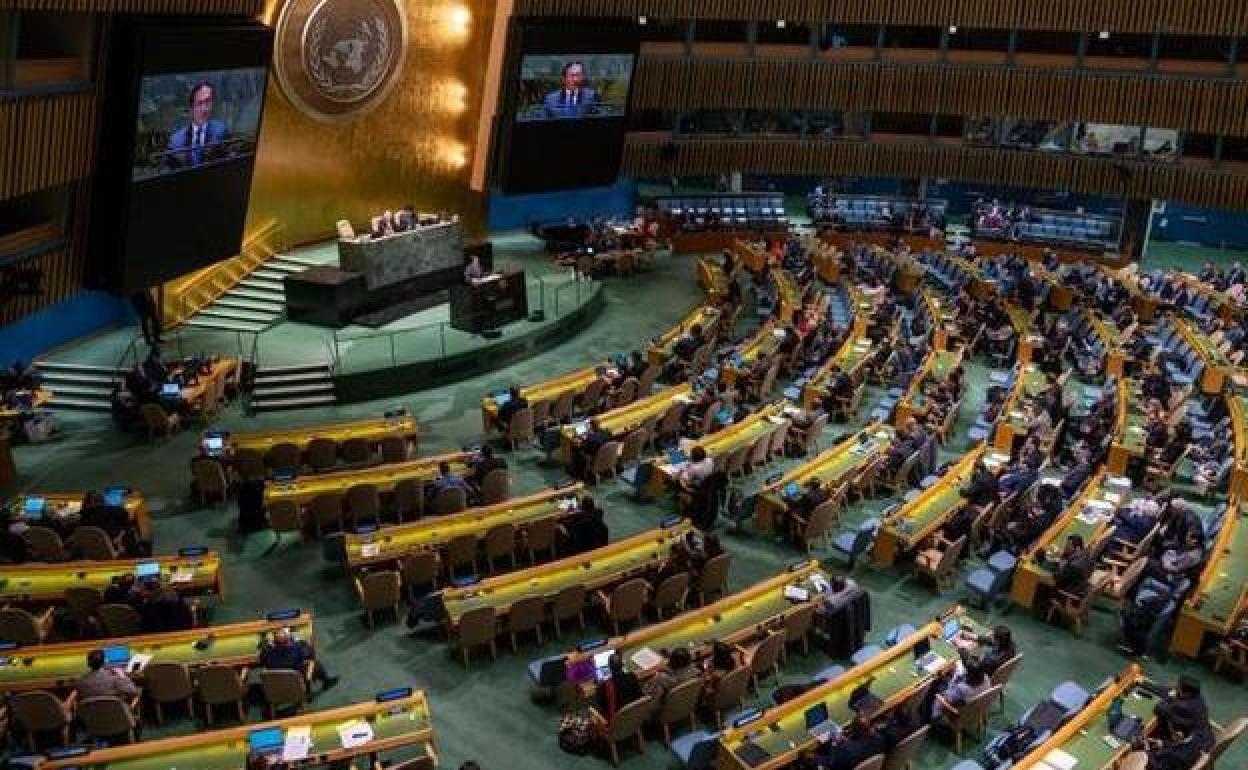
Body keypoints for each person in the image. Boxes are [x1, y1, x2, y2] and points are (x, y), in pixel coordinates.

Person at [166, 81, 227, 168]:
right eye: (199, 103)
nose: (204, 109)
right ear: (191, 108)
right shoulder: (176, 141)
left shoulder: (221, 130)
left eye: (208, 102)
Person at [259, 627, 339, 691]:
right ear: (289, 640)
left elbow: (261, 659)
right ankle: (325, 682)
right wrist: (298, 641)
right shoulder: (297, 649)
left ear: (274, 642)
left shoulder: (268, 654)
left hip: (277, 686)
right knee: (315, 664)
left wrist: (267, 646)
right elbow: (311, 653)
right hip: (296, 681)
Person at [1153, 674, 1211, 741]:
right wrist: (1143, 683)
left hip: (1189, 740)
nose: (1175, 687)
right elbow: (1168, 691)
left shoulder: (1185, 707)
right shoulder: (1197, 697)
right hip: (1201, 732)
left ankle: (1163, 740)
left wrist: (1168, 698)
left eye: (1178, 686)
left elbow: (1158, 708)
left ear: (1186, 693)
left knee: (1162, 714)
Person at [818, 714, 886, 770]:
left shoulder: (846, 750)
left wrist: (834, 744)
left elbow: (833, 765)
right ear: (870, 727)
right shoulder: (880, 739)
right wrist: (848, 741)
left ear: (853, 731)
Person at [76, 649, 142, 699]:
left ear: (88, 664)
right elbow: (133, 691)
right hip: (115, 714)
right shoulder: (114, 678)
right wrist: (122, 676)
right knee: (139, 690)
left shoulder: (80, 682)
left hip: (91, 716)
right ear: (105, 661)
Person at [596, 653, 642, 722]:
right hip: (634, 716)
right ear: (622, 664)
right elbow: (639, 695)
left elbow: (601, 705)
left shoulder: (605, 686)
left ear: (609, 667)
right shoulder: (632, 676)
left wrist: (599, 687)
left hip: (617, 722)